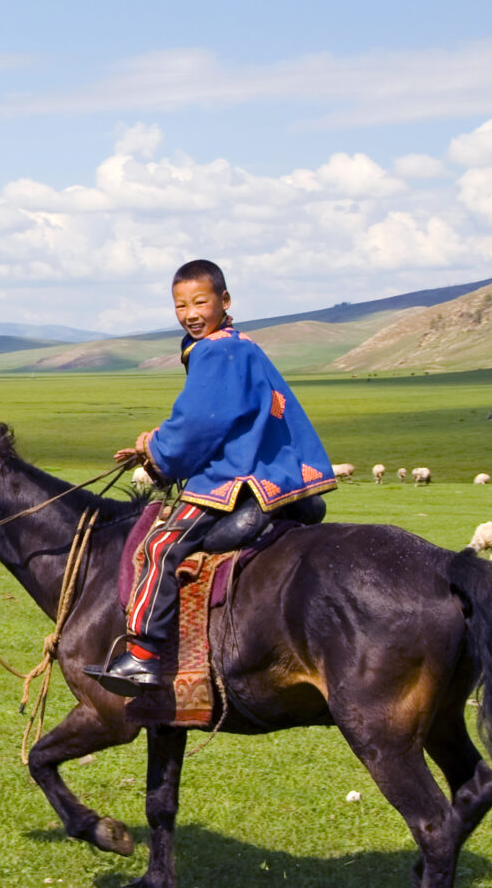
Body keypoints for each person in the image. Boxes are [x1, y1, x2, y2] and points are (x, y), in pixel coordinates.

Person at [90, 260, 337, 699]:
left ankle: (142, 655)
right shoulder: (238, 346)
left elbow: (200, 424)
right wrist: (155, 444)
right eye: (180, 305)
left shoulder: (215, 350)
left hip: (236, 475)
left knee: (158, 546)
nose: (189, 313)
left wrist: (159, 451)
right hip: (273, 470)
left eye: (200, 301)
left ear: (225, 301)